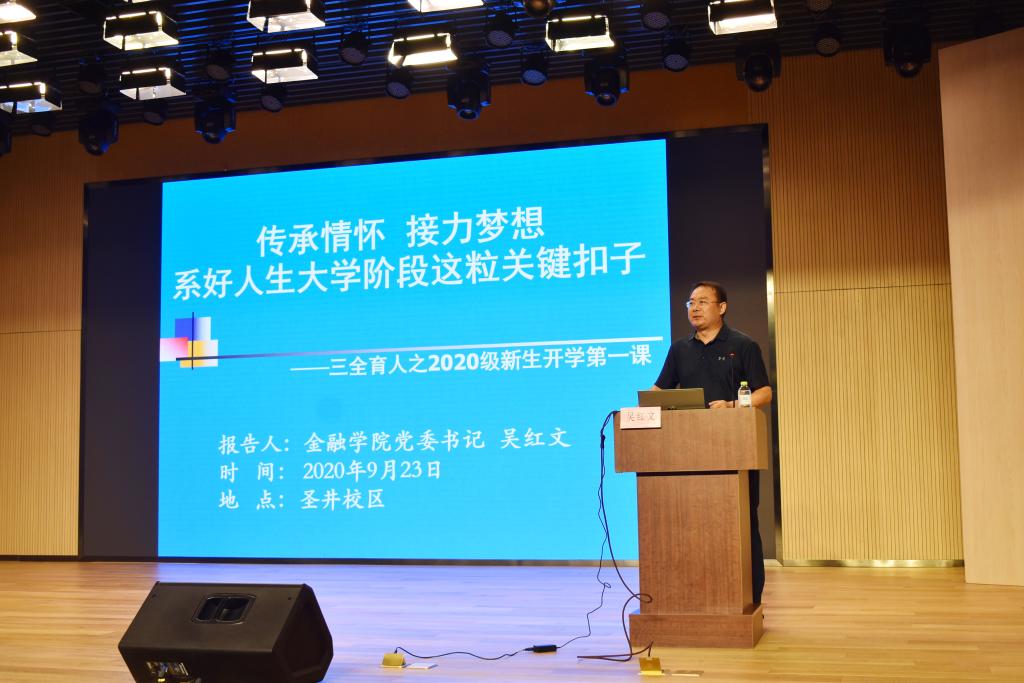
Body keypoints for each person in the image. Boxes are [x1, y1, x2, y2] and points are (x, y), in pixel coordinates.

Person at [651, 280, 772, 605]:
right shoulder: (680, 349)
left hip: (735, 448)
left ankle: (750, 600)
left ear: (722, 307)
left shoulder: (742, 345)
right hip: (690, 452)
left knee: (742, 523)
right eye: (690, 302)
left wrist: (732, 405)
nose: (694, 307)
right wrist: (640, 409)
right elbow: (660, 390)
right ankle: (701, 596)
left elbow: (764, 393)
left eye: (702, 301)